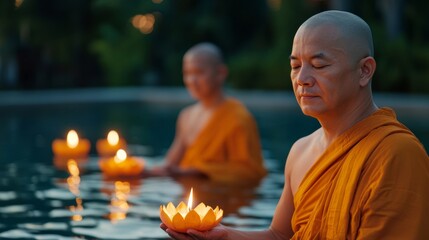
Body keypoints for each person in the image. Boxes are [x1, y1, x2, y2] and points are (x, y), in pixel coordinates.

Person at [161, 10, 429, 239]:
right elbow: (279, 235)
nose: (302, 78)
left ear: (364, 71)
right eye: (295, 65)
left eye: (319, 65)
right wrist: (223, 235)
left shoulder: (396, 154)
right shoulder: (300, 151)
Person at [148, 42, 267, 184]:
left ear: (221, 73)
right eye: (187, 73)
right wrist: (139, 171)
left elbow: (249, 173)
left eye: (199, 72)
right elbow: (170, 165)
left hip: (222, 201)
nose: (192, 80)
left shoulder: (239, 118)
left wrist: (199, 173)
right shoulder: (186, 116)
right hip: (186, 199)